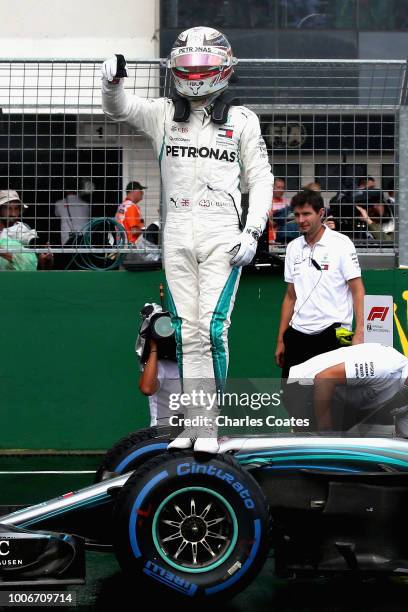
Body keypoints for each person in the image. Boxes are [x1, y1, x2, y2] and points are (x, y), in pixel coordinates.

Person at [101, 27, 273, 452]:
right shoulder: (162, 113)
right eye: (189, 66)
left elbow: (262, 179)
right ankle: (192, 426)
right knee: (186, 331)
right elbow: (119, 108)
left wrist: (252, 231)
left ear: (224, 68)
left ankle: (210, 428)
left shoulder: (242, 119)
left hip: (222, 233)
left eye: (203, 66)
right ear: (176, 68)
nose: (195, 75)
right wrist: (112, 82)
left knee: (213, 329)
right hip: (177, 230)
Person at [275, 189, 365, 421]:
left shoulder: (341, 244)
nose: (301, 220)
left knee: (329, 402)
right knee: (292, 397)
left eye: (307, 214)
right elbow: (289, 296)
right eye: (296, 215)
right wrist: (281, 339)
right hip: (298, 335)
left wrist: (359, 333)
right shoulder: (293, 247)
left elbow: (357, 290)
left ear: (321, 213)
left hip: (332, 334)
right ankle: (304, 446)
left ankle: (327, 449)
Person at [288, 343, 408, 436]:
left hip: (343, 400)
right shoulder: (385, 366)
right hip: (306, 383)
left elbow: (404, 438)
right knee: (317, 453)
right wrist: (326, 432)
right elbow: (324, 378)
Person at [136, 303, 181, 428]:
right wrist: (154, 347)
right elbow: (147, 388)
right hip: (164, 435)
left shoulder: (192, 365)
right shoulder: (160, 367)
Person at [0, 189, 50, 271]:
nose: (13, 214)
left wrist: (45, 259)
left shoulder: (23, 228)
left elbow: (41, 264)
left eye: (16, 209)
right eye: (9, 208)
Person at [54, 179, 91, 245]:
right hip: (84, 241)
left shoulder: (59, 204)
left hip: (67, 240)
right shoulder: (86, 205)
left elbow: (56, 214)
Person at [269, 177, 289, 243]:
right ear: (272, 188)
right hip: (269, 237)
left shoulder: (286, 203)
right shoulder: (267, 202)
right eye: (278, 187)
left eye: (282, 188)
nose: (281, 190)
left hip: (282, 237)